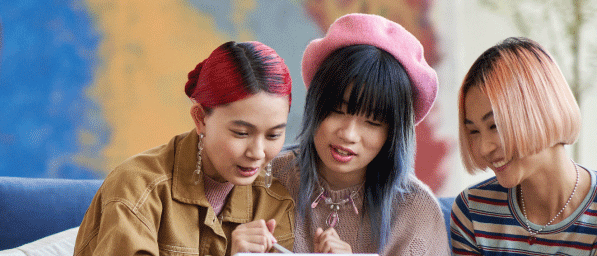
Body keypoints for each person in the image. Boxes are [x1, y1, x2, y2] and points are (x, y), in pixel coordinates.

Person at [74, 41, 296, 256]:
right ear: (200, 118)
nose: (257, 153)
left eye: (273, 135)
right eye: (241, 133)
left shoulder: (275, 204)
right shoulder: (136, 189)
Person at [450, 37, 597, 255]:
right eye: (474, 131)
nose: (484, 148)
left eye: (495, 126)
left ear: (541, 112)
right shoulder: (473, 211)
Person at [271, 13, 450, 255]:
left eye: (372, 122)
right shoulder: (267, 179)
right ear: (316, 104)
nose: (348, 134)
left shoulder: (417, 212)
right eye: (337, 110)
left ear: (392, 133)